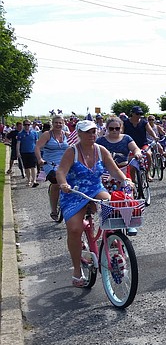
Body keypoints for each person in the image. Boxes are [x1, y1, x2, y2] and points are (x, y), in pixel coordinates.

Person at [56, 120, 131, 288]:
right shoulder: (72, 151)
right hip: (74, 192)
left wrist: (125, 180)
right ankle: (77, 270)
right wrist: (63, 184)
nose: (91, 135)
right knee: (75, 229)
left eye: (93, 132)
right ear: (79, 134)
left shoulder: (101, 150)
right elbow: (61, 171)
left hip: (95, 188)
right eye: (87, 132)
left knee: (113, 206)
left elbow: (113, 170)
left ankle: (115, 239)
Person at [34, 115, 70, 220]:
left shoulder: (66, 135)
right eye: (56, 123)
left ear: (63, 124)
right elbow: (37, 147)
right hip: (50, 163)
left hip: (65, 163)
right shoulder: (47, 135)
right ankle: (54, 210)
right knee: (56, 182)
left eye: (60, 123)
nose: (58, 125)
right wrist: (40, 159)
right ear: (52, 124)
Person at [122, 106, 158, 180]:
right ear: (132, 113)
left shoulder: (144, 122)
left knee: (148, 154)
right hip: (129, 146)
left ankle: (147, 173)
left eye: (140, 114)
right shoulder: (125, 123)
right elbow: (121, 132)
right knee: (131, 164)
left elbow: (150, 130)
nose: (139, 115)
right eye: (137, 113)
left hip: (142, 144)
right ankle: (133, 181)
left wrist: (155, 136)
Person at [17, 120, 39, 187]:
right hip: (24, 152)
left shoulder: (34, 133)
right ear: (23, 125)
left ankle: (34, 180)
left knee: (33, 167)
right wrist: (18, 152)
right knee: (27, 168)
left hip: (32, 152)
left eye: (28, 125)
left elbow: (37, 142)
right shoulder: (20, 134)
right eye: (25, 125)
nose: (27, 126)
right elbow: (18, 144)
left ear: (30, 125)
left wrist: (38, 151)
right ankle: (29, 180)